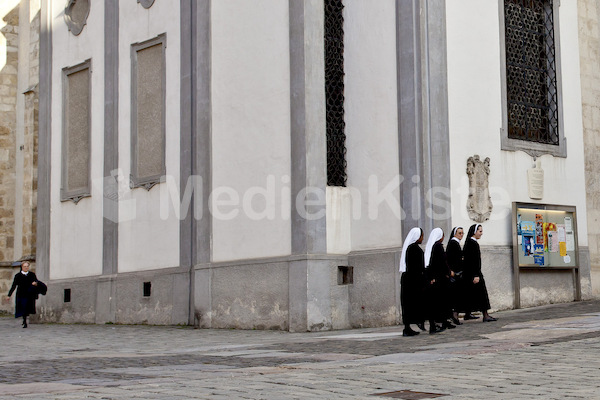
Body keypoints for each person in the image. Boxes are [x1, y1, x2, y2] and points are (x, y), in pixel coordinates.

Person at [400, 228, 445, 336]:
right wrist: (427, 278)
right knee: (428, 303)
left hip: (411, 280)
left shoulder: (411, 249)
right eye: (421, 236)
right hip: (415, 281)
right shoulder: (414, 250)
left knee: (409, 305)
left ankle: (409, 328)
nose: (422, 238)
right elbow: (418, 268)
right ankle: (432, 326)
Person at [463, 224, 497, 322]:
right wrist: (476, 275)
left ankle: (468, 313)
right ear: (475, 232)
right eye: (480, 231)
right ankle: (485, 315)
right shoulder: (472, 243)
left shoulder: (471, 243)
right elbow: (473, 261)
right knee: (482, 295)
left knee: (470, 294)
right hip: (474, 273)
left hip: (473, 273)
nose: (481, 233)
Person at [425, 228, 456, 330]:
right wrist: (449, 272)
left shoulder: (433, 247)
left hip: (437, 278)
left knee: (441, 301)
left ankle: (444, 321)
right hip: (441, 279)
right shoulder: (438, 246)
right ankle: (441, 322)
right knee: (443, 301)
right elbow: (442, 262)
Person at [6, 261, 38, 328]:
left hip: (29, 294)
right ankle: (24, 321)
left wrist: (35, 284)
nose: (26, 268)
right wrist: (9, 295)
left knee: (28, 307)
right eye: (25, 266)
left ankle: (25, 319)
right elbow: (14, 285)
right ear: (22, 267)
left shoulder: (32, 274)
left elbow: (36, 282)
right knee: (23, 307)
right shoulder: (18, 276)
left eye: (27, 266)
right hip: (21, 294)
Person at [446, 226, 465, 324]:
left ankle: (454, 315)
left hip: (456, 273)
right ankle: (455, 315)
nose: (461, 235)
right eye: (459, 233)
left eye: (462, 233)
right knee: (456, 297)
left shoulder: (454, 243)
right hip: (455, 274)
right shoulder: (453, 243)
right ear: (454, 234)